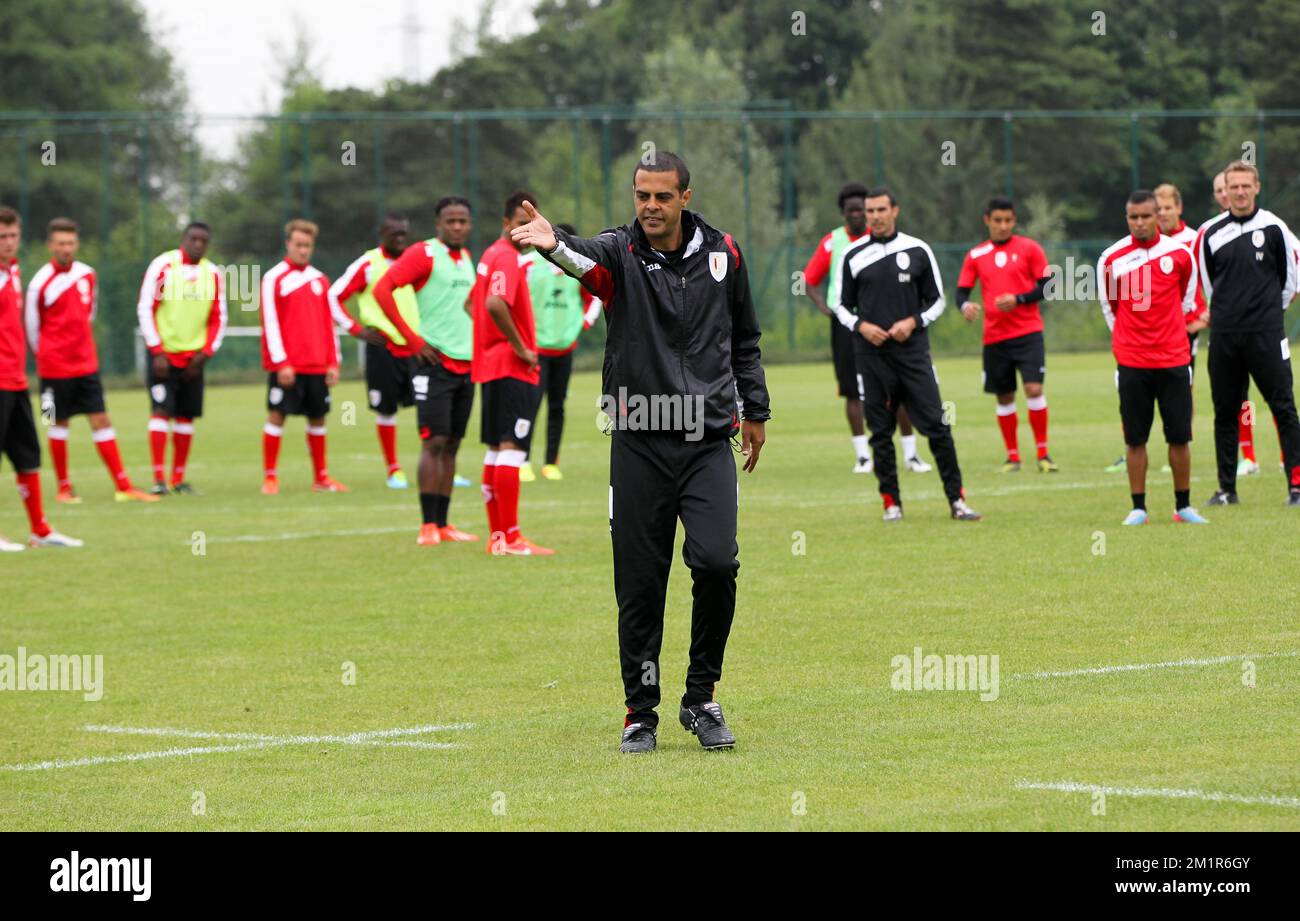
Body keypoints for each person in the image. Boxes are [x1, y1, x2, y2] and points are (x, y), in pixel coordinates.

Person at [513, 150, 769, 754]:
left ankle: (702, 697)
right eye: (640, 196)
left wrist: (754, 409)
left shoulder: (724, 254)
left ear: (685, 195)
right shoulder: (618, 254)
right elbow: (582, 259)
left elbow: (745, 338)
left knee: (714, 562)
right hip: (638, 441)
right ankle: (640, 712)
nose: (649, 207)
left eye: (661, 196)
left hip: (707, 439)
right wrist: (553, 244)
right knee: (640, 581)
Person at [834, 187, 980, 522]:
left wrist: (912, 322)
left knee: (938, 427)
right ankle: (891, 503)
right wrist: (861, 326)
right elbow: (840, 305)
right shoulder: (853, 255)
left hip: (913, 355)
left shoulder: (917, 249)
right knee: (881, 432)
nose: (875, 216)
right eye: (870, 211)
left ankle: (957, 501)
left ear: (895, 211)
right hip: (872, 357)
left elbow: (938, 301)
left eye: (881, 210)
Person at [372, 196, 479, 546]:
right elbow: (382, 289)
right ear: (438, 224)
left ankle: (444, 524)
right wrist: (413, 340)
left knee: (451, 444)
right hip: (432, 364)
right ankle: (427, 526)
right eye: (451, 221)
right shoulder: (423, 253)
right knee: (433, 442)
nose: (458, 227)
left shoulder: (464, 258)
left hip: (466, 365)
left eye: (463, 221)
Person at [25, 218, 156, 504]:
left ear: (77, 244)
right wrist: (48, 356)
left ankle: (123, 485)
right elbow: (32, 328)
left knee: (101, 418)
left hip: (86, 365)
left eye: (70, 243)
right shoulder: (39, 283)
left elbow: (90, 314)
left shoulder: (88, 275)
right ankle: (63, 488)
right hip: (52, 368)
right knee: (56, 422)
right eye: (60, 243)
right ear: (50, 246)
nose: (66, 249)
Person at [804, 182, 930, 474]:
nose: (859, 215)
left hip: (883, 322)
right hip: (847, 326)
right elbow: (809, 279)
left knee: (896, 386)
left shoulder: (889, 242)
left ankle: (911, 454)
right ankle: (863, 455)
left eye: (863, 209)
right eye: (852, 211)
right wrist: (828, 309)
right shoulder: (832, 242)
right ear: (844, 213)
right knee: (852, 390)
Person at [1194, 161, 1300, 507]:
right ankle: (1227, 490)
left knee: (1283, 407)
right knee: (1226, 411)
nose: (1239, 192)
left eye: (1245, 186)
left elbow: (1289, 282)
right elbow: (1210, 284)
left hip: (1266, 334)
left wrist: (1266, 314)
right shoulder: (1210, 233)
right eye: (1233, 186)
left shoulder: (1274, 228)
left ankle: (1296, 487)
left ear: (1257, 187)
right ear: (1225, 191)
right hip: (1224, 337)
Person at [1098, 190, 1207, 525]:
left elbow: (1187, 300)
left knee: (1179, 435)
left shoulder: (1179, 254)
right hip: (1132, 360)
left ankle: (1183, 506)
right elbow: (1109, 307)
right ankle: (1138, 507)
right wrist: (1130, 339)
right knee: (1135, 438)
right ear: (1127, 218)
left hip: (1174, 358)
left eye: (1147, 216)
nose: (1141, 222)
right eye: (1134, 217)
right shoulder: (1112, 258)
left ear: (1158, 216)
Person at [471, 191, 552, 555]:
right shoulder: (505, 258)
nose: (525, 232)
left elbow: (471, 304)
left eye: (530, 226)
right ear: (506, 224)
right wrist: (520, 348)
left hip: (490, 365)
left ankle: (498, 537)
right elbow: (492, 303)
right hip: (511, 367)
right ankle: (512, 537)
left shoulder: (489, 255)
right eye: (520, 225)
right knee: (512, 449)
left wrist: (489, 339)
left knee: (495, 450)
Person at [956, 195, 1057, 473]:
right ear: (987, 220)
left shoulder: (1030, 248)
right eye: (998, 221)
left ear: (1014, 221)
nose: (1003, 226)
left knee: (1034, 388)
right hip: (995, 337)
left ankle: (1043, 454)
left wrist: (1020, 299)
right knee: (1004, 396)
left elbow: (1049, 286)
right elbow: (961, 291)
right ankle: (1013, 457)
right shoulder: (976, 255)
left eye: (1008, 221)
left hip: (1028, 333)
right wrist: (965, 306)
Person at [0, 206, 81, 549]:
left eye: (13, 235)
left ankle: (40, 530)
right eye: (2, 237)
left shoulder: (14, 272)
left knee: (27, 455)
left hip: (16, 380)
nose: (8, 242)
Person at [137, 221, 228, 495]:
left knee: (186, 417)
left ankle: (178, 479)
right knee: (161, 411)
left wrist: (205, 353)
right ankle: (158, 480)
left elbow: (218, 317)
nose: (198, 244)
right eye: (193, 239)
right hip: (164, 357)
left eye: (203, 240)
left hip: (194, 360)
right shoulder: (164, 267)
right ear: (184, 239)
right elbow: (146, 308)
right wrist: (157, 350)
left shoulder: (212, 273)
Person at [327, 213, 417, 489]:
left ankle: (440, 466)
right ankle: (394, 469)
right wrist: (356, 329)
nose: (400, 238)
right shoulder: (368, 264)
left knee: (428, 407)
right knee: (386, 409)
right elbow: (333, 295)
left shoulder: (413, 261)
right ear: (382, 234)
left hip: (415, 347)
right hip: (383, 349)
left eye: (403, 233)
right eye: (394, 234)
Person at [259, 219, 348, 495]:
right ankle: (270, 477)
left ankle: (321, 478)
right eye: (298, 244)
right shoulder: (273, 278)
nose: (303, 250)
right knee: (277, 415)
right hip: (288, 366)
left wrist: (333, 361)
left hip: (317, 366)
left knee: (318, 418)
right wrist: (281, 362)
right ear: (288, 244)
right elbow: (270, 322)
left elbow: (328, 324)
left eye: (308, 245)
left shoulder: (320, 280)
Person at [520, 222, 603, 481]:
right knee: (530, 405)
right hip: (535, 349)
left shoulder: (576, 264)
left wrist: (583, 323)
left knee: (558, 406)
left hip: (564, 349)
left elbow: (594, 297)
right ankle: (522, 460)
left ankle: (550, 462)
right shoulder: (527, 264)